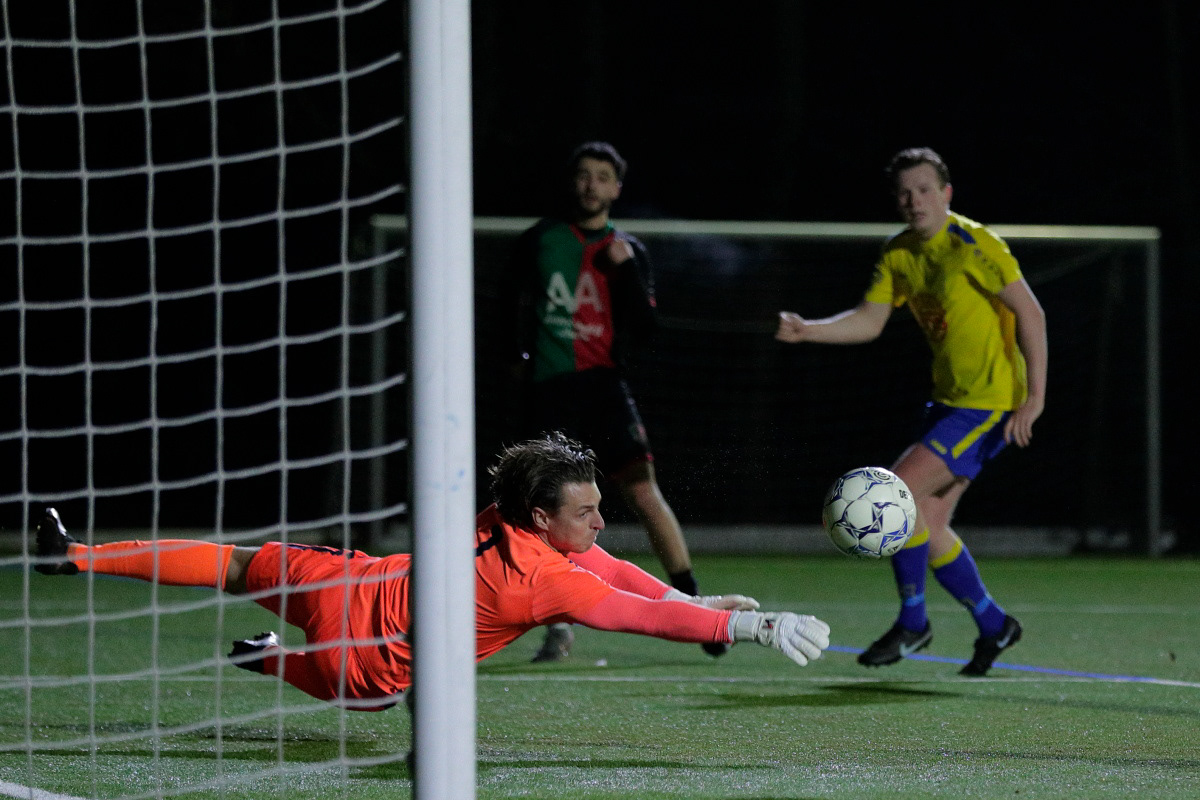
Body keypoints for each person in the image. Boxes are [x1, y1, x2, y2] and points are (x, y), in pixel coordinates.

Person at [31, 432, 831, 710]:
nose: (600, 520)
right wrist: (755, 624)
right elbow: (641, 615)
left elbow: (622, 573)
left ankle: (75, 556)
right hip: (366, 661)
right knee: (378, 705)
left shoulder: (508, 516)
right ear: (543, 519)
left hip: (339, 581)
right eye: (585, 511)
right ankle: (269, 658)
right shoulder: (546, 580)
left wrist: (699, 595)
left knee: (234, 563)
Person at [776, 147, 1048, 677]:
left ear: (947, 193)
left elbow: (1030, 313)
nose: (914, 200)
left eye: (925, 189)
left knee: (893, 495)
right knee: (927, 519)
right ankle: (995, 625)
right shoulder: (899, 252)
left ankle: (913, 620)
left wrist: (1034, 398)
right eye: (904, 192)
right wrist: (809, 329)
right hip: (949, 402)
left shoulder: (975, 244)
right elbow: (869, 321)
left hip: (989, 405)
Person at [507, 141, 718, 661]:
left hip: (604, 387)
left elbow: (647, 329)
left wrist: (624, 272)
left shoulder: (629, 250)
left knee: (644, 491)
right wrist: (517, 367)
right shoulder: (539, 240)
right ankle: (556, 626)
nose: (591, 185)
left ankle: (694, 607)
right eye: (583, 175)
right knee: (545, 512)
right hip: (551, 390)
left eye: (602, 177)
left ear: (616, 188)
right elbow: (509, 310)